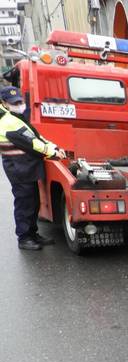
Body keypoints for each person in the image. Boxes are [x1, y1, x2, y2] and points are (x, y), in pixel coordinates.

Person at [0, 86, 66, 250]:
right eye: (14, 102)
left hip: (26, 168)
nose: (19, 104)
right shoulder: (8, 121)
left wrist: (53, 146)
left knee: (33, 202)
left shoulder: (16, 116)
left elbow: (36, 136)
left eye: (20, 101)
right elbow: (32, 143)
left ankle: (32, 233)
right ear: (4, 103)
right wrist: (53, 152)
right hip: (19, 169)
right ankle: (24, 238)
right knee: (24, 204)